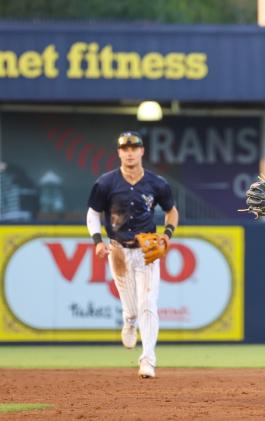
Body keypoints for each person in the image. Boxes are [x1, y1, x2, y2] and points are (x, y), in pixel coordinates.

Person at [86, 131, 179, 379]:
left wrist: (167, 235)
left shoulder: (156, 183)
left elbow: (172, 212)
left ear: (141, 151)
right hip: (117, 250)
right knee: (131, 306)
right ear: (119, 152)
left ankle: (148, 359)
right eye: (124, 148)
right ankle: (128, 320)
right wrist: (97, 241)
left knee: (148, 304)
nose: (129, 152)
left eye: (133, 147)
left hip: (146, 250)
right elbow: (93, 214)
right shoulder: (106, 183)